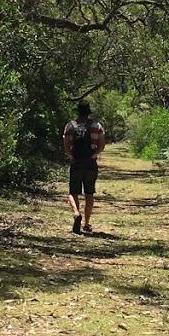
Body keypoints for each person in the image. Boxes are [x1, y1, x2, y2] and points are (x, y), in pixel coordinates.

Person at [63, 100, 106, 235]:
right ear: (88, 112)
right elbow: (102, 145)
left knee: (73, 192)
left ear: (78, 112)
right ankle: (86, 224)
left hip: (76, 163)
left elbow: (66, 145)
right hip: (90, 163)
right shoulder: (96, 126)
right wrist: (94, 154)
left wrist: (71, 156)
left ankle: (76, 213)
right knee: (89, 193)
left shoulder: (70, 126)